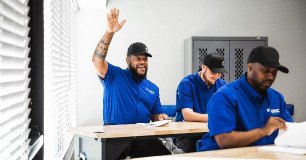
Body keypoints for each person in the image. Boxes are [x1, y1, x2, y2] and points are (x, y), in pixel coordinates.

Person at [92, 8, 171, 159]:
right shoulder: (114, 75)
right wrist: (110, 32)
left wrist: (160, 117)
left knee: (166, 157)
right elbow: (97, 60)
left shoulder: (153, 89)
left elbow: (155, 116)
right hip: (115, 136)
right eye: (138, 58)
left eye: (145, 59)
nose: (142, 62)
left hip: (141, 137)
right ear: (128, 60)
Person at [199, 46, 293, 151]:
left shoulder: (277, 98)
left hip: (263, 156)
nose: (270, 76)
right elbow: (224, 140)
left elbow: (289, 131)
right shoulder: (225, 96)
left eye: (274, 72)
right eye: (265, 71)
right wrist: (263, 131)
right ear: (250, 67)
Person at [175, 53, 227, 152]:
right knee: (195, 147)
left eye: (219, 73)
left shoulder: (222, 85)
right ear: (203, 67)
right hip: (186, 133)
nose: (216, 76)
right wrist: (213, 117)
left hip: (209, 130)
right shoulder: (186, 84)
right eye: (213, 72)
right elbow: (188, 115)